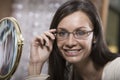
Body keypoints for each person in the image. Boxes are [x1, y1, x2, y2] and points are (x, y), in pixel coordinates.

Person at [25, 0, 120, 80]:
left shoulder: (117, 69)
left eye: (80, 33)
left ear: (95, 36)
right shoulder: (67, 74)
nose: (70, 42)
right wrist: (35, 64)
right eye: (62, 33)